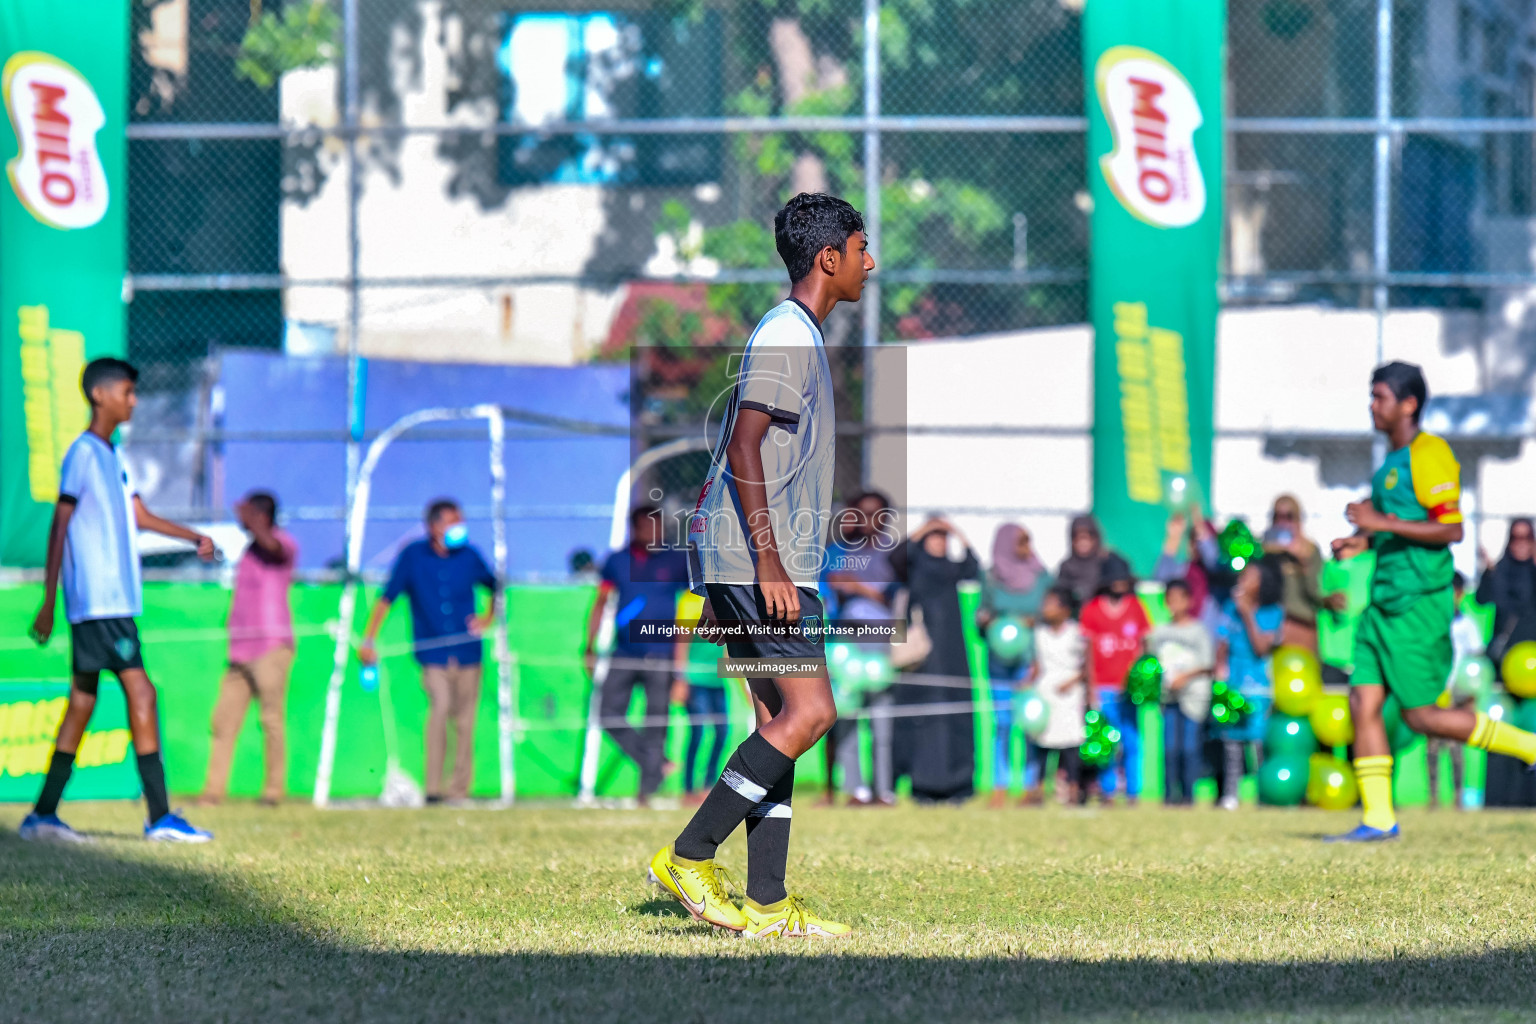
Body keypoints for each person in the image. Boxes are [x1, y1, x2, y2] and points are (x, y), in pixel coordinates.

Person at [647, 192, 872, 939]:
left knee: (775, 719)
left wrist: (721, 575)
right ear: (828, 259)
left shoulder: (796, 333)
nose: (870, 262)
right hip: (762, 560)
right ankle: (689, 854)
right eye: (861, 248)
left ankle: (768, 903)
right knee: (811, 714)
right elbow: (743, 444)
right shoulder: (787, 335)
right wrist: (767, 567)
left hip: (743, 558)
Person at [1328, 362, 1536, 842]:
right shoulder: (1389, 465)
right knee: (1362, 700)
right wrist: (1361, 542)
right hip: (1381, 606)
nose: (1372, 405)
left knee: (1420, 716)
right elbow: (1398, 531)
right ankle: (1378, 819)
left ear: (1409, 404)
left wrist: (1379, 525)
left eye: (1379, 396)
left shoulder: (1430, 453)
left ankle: (1526, 745)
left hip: (1418, 606)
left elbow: (1451, 528)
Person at [20, 357, 217, 843]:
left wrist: (192, 536)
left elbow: (140, 516)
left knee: (83, 703)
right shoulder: (83, 453)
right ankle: (160, 817)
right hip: (102, 602)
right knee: (142, 692)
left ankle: (42, 815)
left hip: (104, 605)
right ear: (100, 395)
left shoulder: (111, 456)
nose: (133, 400)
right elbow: (60, 524)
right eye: (128, 392)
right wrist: (49, 599)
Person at [360, 499, 497, 804]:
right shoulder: (412, 556)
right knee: (440, 707)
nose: (459, 528)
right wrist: (369, 639)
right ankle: (433, 789)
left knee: (465, 722)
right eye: (452, 521)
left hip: (468, 654)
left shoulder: (470, 555)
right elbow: (387, 598)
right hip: (431, 655)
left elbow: (495, 587)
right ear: (434, 526)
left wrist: (488, 618)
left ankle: (458, 790)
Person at [584, 505, 690, 805]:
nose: (653, 533)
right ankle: (656, 764)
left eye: (657, 527)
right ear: (634, 529)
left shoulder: (676, 560)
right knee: (608, 715)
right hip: (624, 652)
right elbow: (601, 602)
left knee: (656, 721)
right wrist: (589, 646)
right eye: (646, 527)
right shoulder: (617, 561)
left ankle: (647, 792)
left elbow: (693, 602)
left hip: (662, 653)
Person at [200, 491, 298, 806]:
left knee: (270, 720)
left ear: (261, 516)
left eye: (247, 512)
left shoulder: (281, 545)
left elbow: (274, 547)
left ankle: (273, 791)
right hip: (239, 652)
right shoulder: (248, 551)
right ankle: (213, 792)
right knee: (223, 721)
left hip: (270, 647)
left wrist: (255, 523)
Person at [894, 516, 980, 804]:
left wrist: (958, 531)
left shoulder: (951, 571)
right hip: (923, 661)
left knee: (956, 717)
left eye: (944, 538)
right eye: (935, 537)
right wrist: (922, 529)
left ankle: (959, 784)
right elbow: (894, 557)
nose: (940, 542)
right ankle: (924, 785)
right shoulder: (914, 569)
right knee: (924, 720)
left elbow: (974, 567)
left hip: (953, 655)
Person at [823, 490, 899, 806]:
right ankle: (856, 789)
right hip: (845, 637)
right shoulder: (837, 551)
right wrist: (837, 591)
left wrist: (858, 588)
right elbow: (824, 595)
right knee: (848, 712)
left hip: (880, 637)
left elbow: (893, 600)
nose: (867, 520)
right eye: (861, 513)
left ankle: (884, 790)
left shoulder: (893, 554)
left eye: (875, 513)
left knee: (881, 717)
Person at [976, 523, 1052, 807]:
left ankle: (1032, 783)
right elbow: (981, 613)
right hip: (999, 659)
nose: (1025, 548)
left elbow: (1049, 612)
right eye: (1020, 543)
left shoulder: (1041, 576)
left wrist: (1031, 621)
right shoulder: (990, 577)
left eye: (1027, 542)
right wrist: (987, 620)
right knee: (1003, 723)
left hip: (1029, 660)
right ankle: (1000, 783)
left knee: (1030, 720)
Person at [1079, 554, 1150, 804]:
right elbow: (1087, 653)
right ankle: (1108, 790)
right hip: (1103, 687)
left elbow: (1144, 647)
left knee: (1131, 741)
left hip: (1128, 690)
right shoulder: (1092, 609)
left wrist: (1142, 683)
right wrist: (1090, 689)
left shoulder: (1135, 606)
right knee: (1106, 742)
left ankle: (1134, 792)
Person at [1213, 559, 1283, 809]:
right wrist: (1219, 675)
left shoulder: (1273, 612)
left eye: (1250, 577)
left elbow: (1261, 648)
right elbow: (1221, 643)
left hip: (1259, 688)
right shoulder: (1229, 607)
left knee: (1258, 743)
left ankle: (1263, 794)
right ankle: (1231, 794)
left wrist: (1247, 613)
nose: (1242, 581)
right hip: (1233, 687)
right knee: (1231, 744)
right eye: (1242, 576)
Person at [1148, 579, 1214, 806]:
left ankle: (1188, 795)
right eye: (1170, 599)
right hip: (1169, 698)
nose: (1175, 604)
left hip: (1193, 697)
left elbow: (1207, 663)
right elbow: (1152, 661)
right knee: (1170, 748)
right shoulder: (1160, 632)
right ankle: (1169, 795)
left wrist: (1184, 678)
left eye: (1179, 598)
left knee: (1189, 747)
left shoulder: (1198, 630)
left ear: (1189, 601)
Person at [1025, 586, 1089, 805]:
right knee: (1044, 743)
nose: (1046, 608)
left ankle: (1073, 789)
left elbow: (1086, 667)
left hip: (1070, 693)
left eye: (1051, 604)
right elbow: (1036, 666)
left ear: (1065, 609)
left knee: (1070, 744)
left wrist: (1073, 682)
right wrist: (1026, 685)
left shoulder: (1076, 633)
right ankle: (1040, 789)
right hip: (1046, 691)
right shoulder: (1040, 633)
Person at [1427, 572, 1483, 810]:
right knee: (1432, 747)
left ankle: (1458, 797)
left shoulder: (1467, 625)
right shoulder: (1431, 623)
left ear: (1460, 594)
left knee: (1455, 747)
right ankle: (1434, 797)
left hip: (1458, 692)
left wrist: (1472, 692)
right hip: (1436, 691)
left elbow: (1476, 659)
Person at [1263, 494, 1345, 654]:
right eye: (1278, 516)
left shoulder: (1310, 550)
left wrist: (1303, 562)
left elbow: (1315, 592)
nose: (1283, 522)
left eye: (1289, 516)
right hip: (1274, 626)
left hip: (1302, 625)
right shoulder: (1265, 551)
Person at [1476, 517, 1536, 673]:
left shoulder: (1533, 571)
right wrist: (1488, 571)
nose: (1521, 543)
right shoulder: (1500, 570)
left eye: (1527, 538)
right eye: (1516, 538)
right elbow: (1481, 600)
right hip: (1505, 653)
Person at [1056, 514, 1113, 606]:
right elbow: (1061, 596)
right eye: (1078, 539)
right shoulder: (1066, 566)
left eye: (1086, 539)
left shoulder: (1105, 563)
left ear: (1095, 540)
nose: (1083, 543)